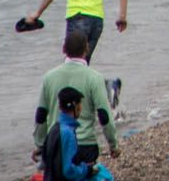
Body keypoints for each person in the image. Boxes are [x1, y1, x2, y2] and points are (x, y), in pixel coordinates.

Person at [29, 33, 117, 165]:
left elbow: (41, 115)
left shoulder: (49, 77)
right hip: (85, 144)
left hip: (56, 142)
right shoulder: (95, 78)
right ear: (86, 49)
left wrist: (40, 144)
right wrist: (113, 144)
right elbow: (104, 116)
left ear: (63, 49)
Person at [39, 87, 101, 181]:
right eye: (80, 104)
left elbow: (45, 160)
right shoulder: (67, 133)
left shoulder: (54, 129)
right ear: (76, 106)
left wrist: (82, 165)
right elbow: (68, 171)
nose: (81, 108)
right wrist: (87, 170)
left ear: (60, 107)